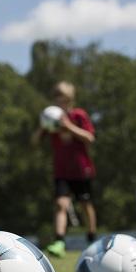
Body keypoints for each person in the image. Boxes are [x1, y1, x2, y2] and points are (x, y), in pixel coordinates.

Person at [32, 81, 97, 258]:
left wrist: (69, 126)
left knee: (85, 205)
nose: (61, 105)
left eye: (65, 101)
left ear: (71, 100)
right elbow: (34, 140)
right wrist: (42, 125)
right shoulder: (52, 117)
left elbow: (89, 137)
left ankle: (92, 240)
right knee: (61, 204)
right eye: (58, 101)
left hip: (82, 170)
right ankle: (59, 242)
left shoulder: (78, 115)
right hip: (62, 172)